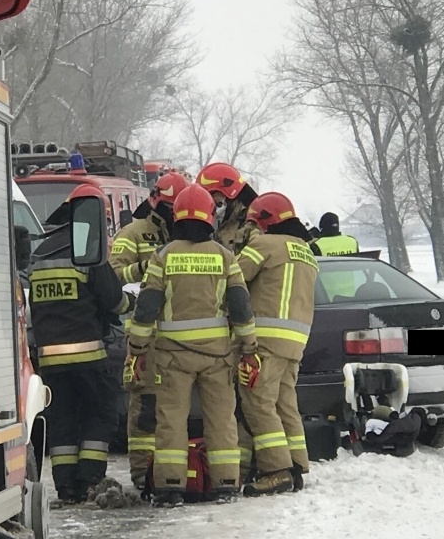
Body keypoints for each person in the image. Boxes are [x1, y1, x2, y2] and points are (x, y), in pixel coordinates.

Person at [124, 184, 257, 507]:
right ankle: (225, 482)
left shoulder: (163, 256)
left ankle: (171, 486)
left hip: (172, 357)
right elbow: (240, 307)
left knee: (171, 419)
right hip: (217, 356)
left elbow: (147, 308)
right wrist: (249, 347)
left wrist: (137, 350)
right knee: (222, 419)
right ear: (210, 217)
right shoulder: (225, 258)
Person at [28, 183, 128, 503]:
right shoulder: (87, 248)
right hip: (89, 355)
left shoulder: (40, 253)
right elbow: (113, 301)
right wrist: (132, 303)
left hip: (49, 360)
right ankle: (90, 480)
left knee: (62, 421)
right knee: (101, 413)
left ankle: (66, 486)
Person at [108, 170, 189, 495]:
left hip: (181, 336)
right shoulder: (133, 234)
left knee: (177, 406)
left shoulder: (186, 236)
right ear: (156, 202)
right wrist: (148, 266)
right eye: (170, 207)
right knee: (145, 408)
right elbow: (113, 278)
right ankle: (143, 476)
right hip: (145, 337)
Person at [235, 192, 319, 495]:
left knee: (257, 403)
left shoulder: (264, 245)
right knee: (286, 405)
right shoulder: (305, 251)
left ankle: (276, 471)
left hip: (265, 340)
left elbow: (233, 278)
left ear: (265, 222)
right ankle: (296, 465)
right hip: (295, 342)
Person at [197, 161, 259, 253]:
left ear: (223, 191)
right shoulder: (224, 214)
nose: (208, 200)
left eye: (210, 194)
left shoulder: (251, 221)